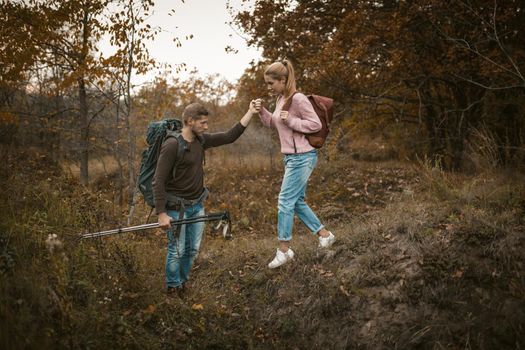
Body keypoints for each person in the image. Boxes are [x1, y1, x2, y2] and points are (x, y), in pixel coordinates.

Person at [153, 101, 259, 297]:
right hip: (176, 208)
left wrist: (250, 112)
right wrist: (161, 213)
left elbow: (229, 136)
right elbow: (157, 181)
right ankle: (172, 287)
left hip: (196, 205)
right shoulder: (172, 145)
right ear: (189, 121)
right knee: (176, 250)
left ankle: (182, 283)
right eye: (202, 123)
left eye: (206, 123)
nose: (206, 127)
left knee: (192, 250)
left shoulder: (201, 140)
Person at [255, 59, 335, 269]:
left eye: (271, 83)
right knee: (296, 201)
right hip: (291, 158)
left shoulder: (297, 98)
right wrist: (262, 110)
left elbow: (315, 124)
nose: (268, 87)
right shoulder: (282, 99)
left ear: (282, 80)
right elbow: (274, 123)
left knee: (284, 201)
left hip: (303, 157)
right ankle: (325, 236)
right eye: (267, 84)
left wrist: (291, 120)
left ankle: (284, 250)